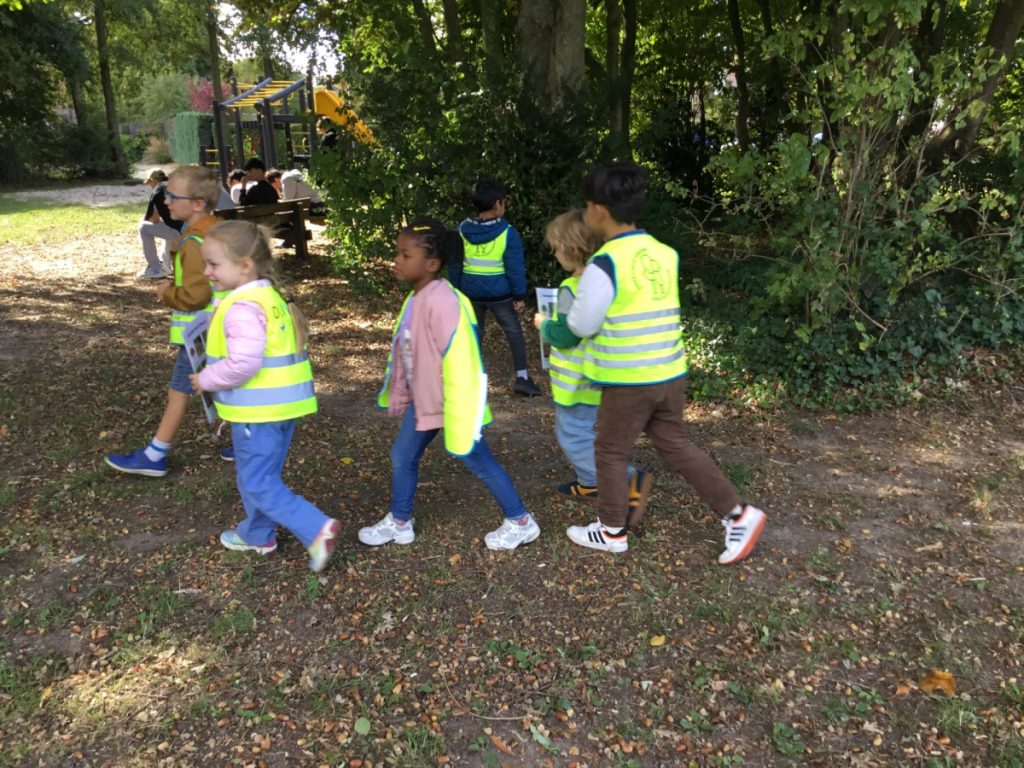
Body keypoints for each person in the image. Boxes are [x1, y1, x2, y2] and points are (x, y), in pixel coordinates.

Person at [564, 162, 766, 565]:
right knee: (675, 446)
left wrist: (566, 317)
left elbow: (581, 324)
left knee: (610, 452)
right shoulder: (663, 253)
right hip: (669, 374)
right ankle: (738, 515)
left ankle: (611, 531)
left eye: (587, 206)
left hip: (628, 380)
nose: (586, 214)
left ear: (599, 209)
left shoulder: (605, 263)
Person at [358, 218, 540, 551]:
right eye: (398, 253)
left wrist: (462, 413)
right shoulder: (415, 299)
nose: (397, 260)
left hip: (452, 404)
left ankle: (521, 522)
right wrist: (401, 389)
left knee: (478, 459)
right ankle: (400, 521)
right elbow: (406, 349)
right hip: (425, 401)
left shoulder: (444, 302)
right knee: (402, 455)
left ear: (431, 264)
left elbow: (463, 362)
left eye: (405, 255)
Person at [188, 221, 340, 572]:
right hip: (279, 410)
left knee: (257, 481)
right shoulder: (266, 296)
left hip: (257, 415)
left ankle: (316, 529)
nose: (206, 272)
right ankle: (258, 534)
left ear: (244, 265)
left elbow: (244, 363)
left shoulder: (242, 307)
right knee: (259, 475)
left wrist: (206, 379)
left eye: (213, 264)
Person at [105, 165, 223, 476]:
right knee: (223, 385)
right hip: (219, 328)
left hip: (198, 334)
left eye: (172, 196)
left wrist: (167, 292)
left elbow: (196, 295)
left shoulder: (194, 241)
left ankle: (155, 455)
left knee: (178, 392)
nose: (166, 200)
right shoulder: (216, 229)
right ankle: (241, 443)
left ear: (197, 203)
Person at [533, 209, 652, 515]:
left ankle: (626, 479)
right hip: (601, 373)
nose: (555, 255)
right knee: (585, 431)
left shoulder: (570, 288)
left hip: (576, 381)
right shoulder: (607, 283)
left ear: (572, 250)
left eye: (556, 248)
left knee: (572, 436)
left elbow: (565, 335)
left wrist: (543, 325)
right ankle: (589, 482)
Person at [449, 179, 541, 397]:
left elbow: (455, 265)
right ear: (497, 203)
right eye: (504, 201)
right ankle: (522, 378)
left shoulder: (461, 230)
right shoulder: (508, 232)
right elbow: (515, 268)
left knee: (474, 333)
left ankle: (470, 378)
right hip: (500, 294)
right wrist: (519, 296)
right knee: (514, 332)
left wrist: (456, 292)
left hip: (470, 293)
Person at [137, 169, 183, 279]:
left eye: (149, 182)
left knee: (143, 227)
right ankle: (165, 266)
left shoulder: (158, 191)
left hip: (181, 231)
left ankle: (155, 269)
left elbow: (154, 219)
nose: (149, 185)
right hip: (195, 228)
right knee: (167, 226)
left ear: (153, 180)